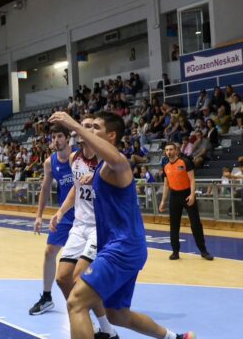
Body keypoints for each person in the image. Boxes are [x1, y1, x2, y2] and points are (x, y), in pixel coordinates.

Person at [49, 111, 196, 339]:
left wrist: (74, 125)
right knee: (117, 314)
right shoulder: (100, 168)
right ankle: (175, 338)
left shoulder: (119, 163)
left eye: (95, 128)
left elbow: (115, 160)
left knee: (76, 302)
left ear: (111, 136)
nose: (89, 131)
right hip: (125, 247)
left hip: (122, 247)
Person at [49, 116, 118, 339]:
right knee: (62, 278)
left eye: (90, 127)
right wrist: (60, 212)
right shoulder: (73, 158)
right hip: (79, 225)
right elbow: (76, 190)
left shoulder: (105, 160)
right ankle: (101, 327)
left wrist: (98, 178)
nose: (84, 130)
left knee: (81, 279)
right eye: (83, 126)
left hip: (100, 226)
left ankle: (95, 323)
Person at [29, 124, 75, 315]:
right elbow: (46, 189)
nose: (55, 140)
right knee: (49, 252)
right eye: (52, 137)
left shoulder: (76, 158)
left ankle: (98, 297)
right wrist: (39, 215)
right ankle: (47, 297)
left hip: (86, 214)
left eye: (59, 137)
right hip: (64, 214)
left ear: (67, 138)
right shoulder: (50, 162)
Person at [159, 143, 213, 261]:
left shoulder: (185, 162)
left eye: (171, 149)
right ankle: (175, 252)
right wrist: (163, 201)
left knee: (195, 224)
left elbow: (192, 179)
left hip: (187, 194)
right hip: (174, 196)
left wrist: (192, 194)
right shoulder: (164, 164)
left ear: (176, 151)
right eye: (167, 150)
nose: (169, 152)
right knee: (174, 225)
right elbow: (166, 185)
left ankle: (203, 251)